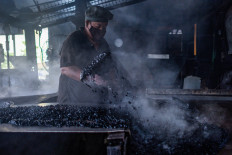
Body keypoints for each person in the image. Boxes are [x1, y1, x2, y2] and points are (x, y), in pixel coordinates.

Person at [58, 6, 119, 104]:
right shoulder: (74, 39)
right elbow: (65, 69)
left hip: (98, 102)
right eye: (98, 26)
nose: (102, 30)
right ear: (87, 23)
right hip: (73, 102)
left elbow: (110, 67)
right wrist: (91, 78)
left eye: (104, 27)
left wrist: (114, 82)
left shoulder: (103, 43)